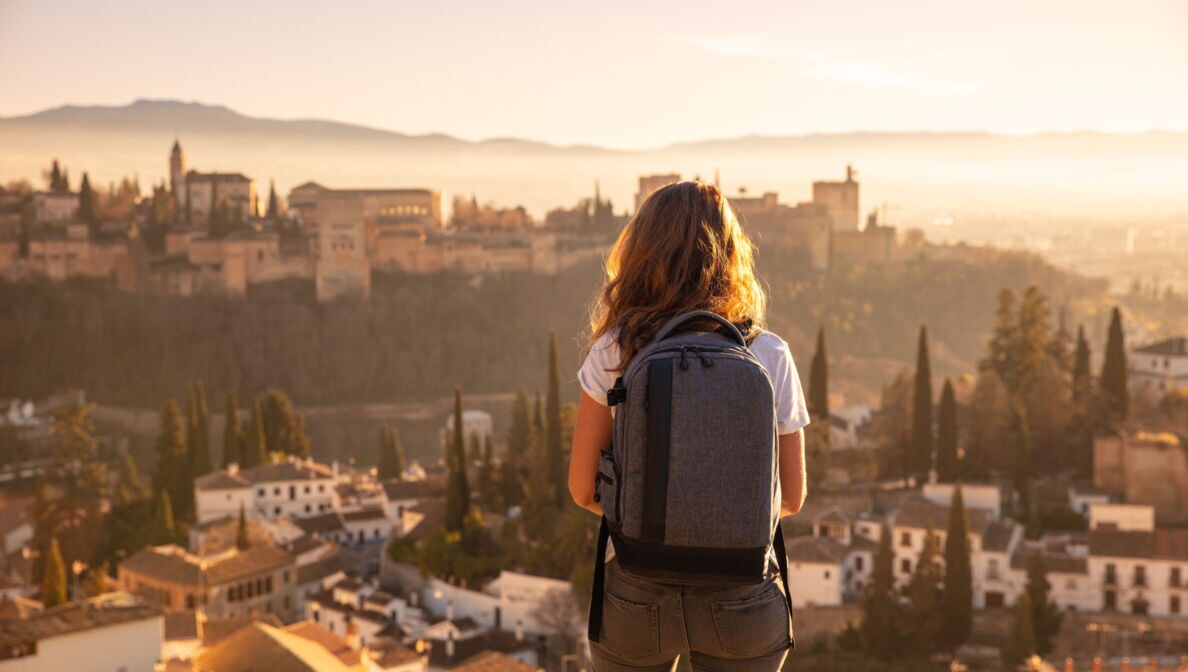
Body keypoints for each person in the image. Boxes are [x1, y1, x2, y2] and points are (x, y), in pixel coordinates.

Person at [568, 180, 810, 672]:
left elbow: (582, 488)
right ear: (731, 256)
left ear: (641, 253)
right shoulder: (768, 354)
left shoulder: (615, 348)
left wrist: (648, 523)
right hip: (743, 596)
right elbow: (791, 497)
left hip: (637, 589)